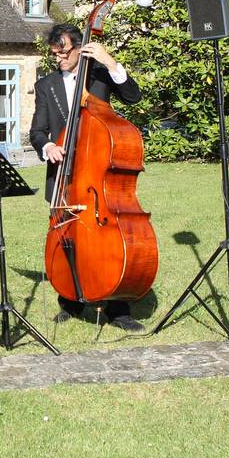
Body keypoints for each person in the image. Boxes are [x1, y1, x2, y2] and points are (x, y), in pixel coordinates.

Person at [28, 23, 145, 332]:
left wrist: (110, 61)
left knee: (109, 241)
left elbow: (133, 96)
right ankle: (70, 300)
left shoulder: (100, 76)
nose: (59, 59)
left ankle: (117, 308)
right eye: (54, 54)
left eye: (64, 53)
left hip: (99, 177)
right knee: (68, 240)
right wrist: (49, 146)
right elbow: (37, 131)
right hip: (65, 180)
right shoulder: (47, 85)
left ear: (80, 48)